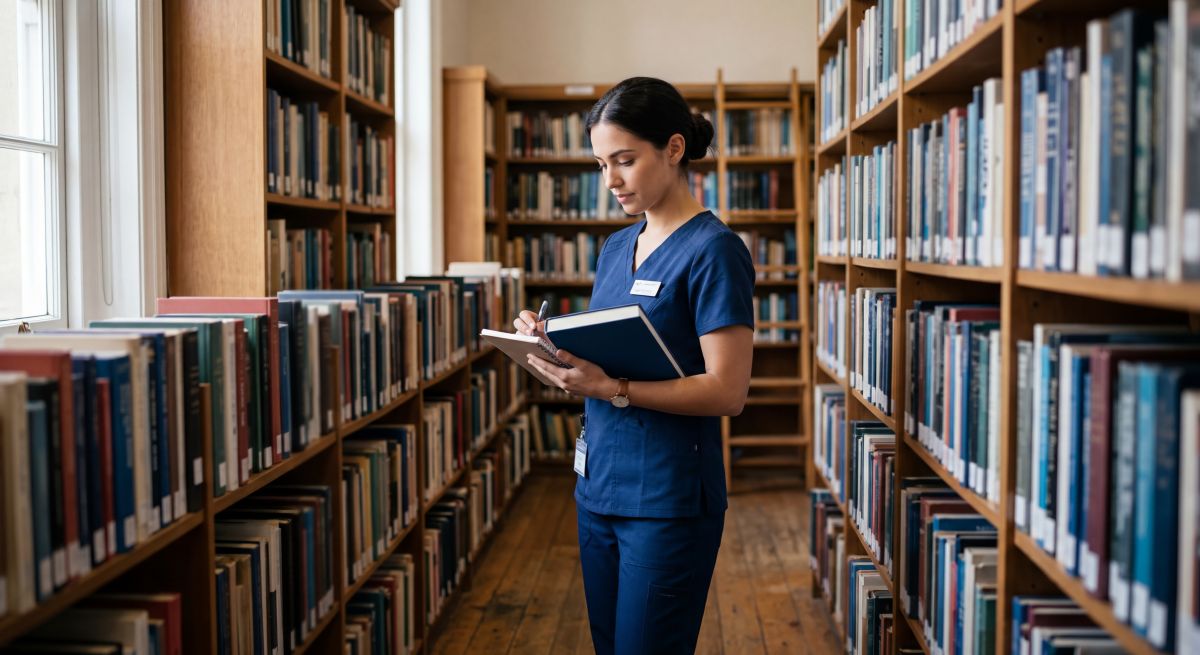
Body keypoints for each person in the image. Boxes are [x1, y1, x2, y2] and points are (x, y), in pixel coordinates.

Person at [513, 76, 756, 655]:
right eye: (601, 164)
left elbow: (728, 392)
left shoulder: (715, 251)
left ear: (674, 149)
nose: (611, 181)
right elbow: (617, 349)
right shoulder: (617, 248)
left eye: (624, 160)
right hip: (598, 488)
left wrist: (612, 386)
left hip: (666, 499)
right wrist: (554, 348)